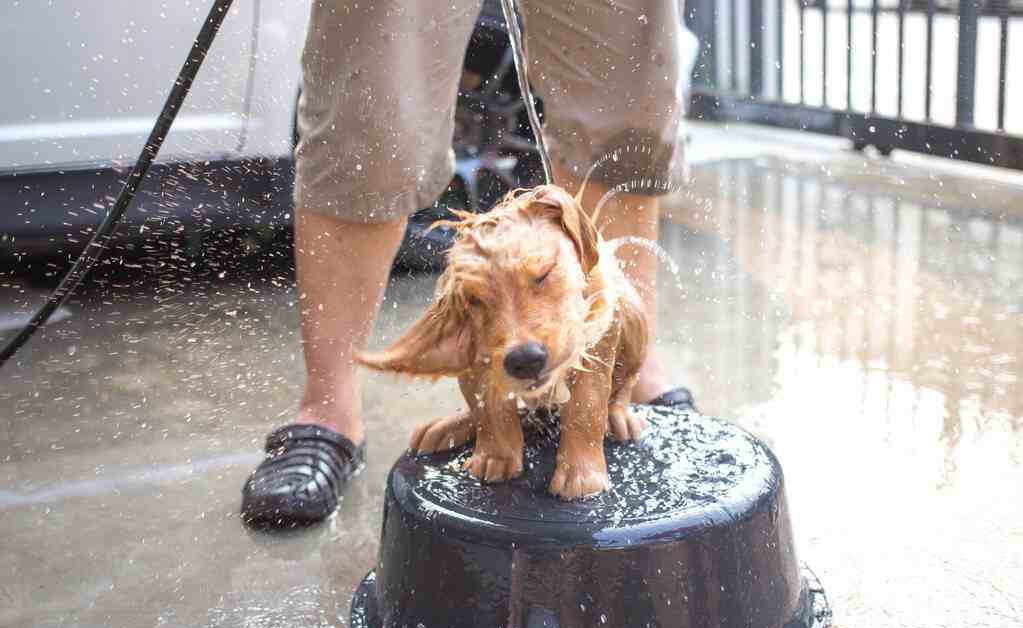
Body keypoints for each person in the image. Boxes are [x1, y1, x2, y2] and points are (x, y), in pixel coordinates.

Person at [240, 0, 696, 525]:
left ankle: (626, 374)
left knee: (625, 99)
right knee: (373, 107)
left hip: (608, 341)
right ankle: (328, 410)